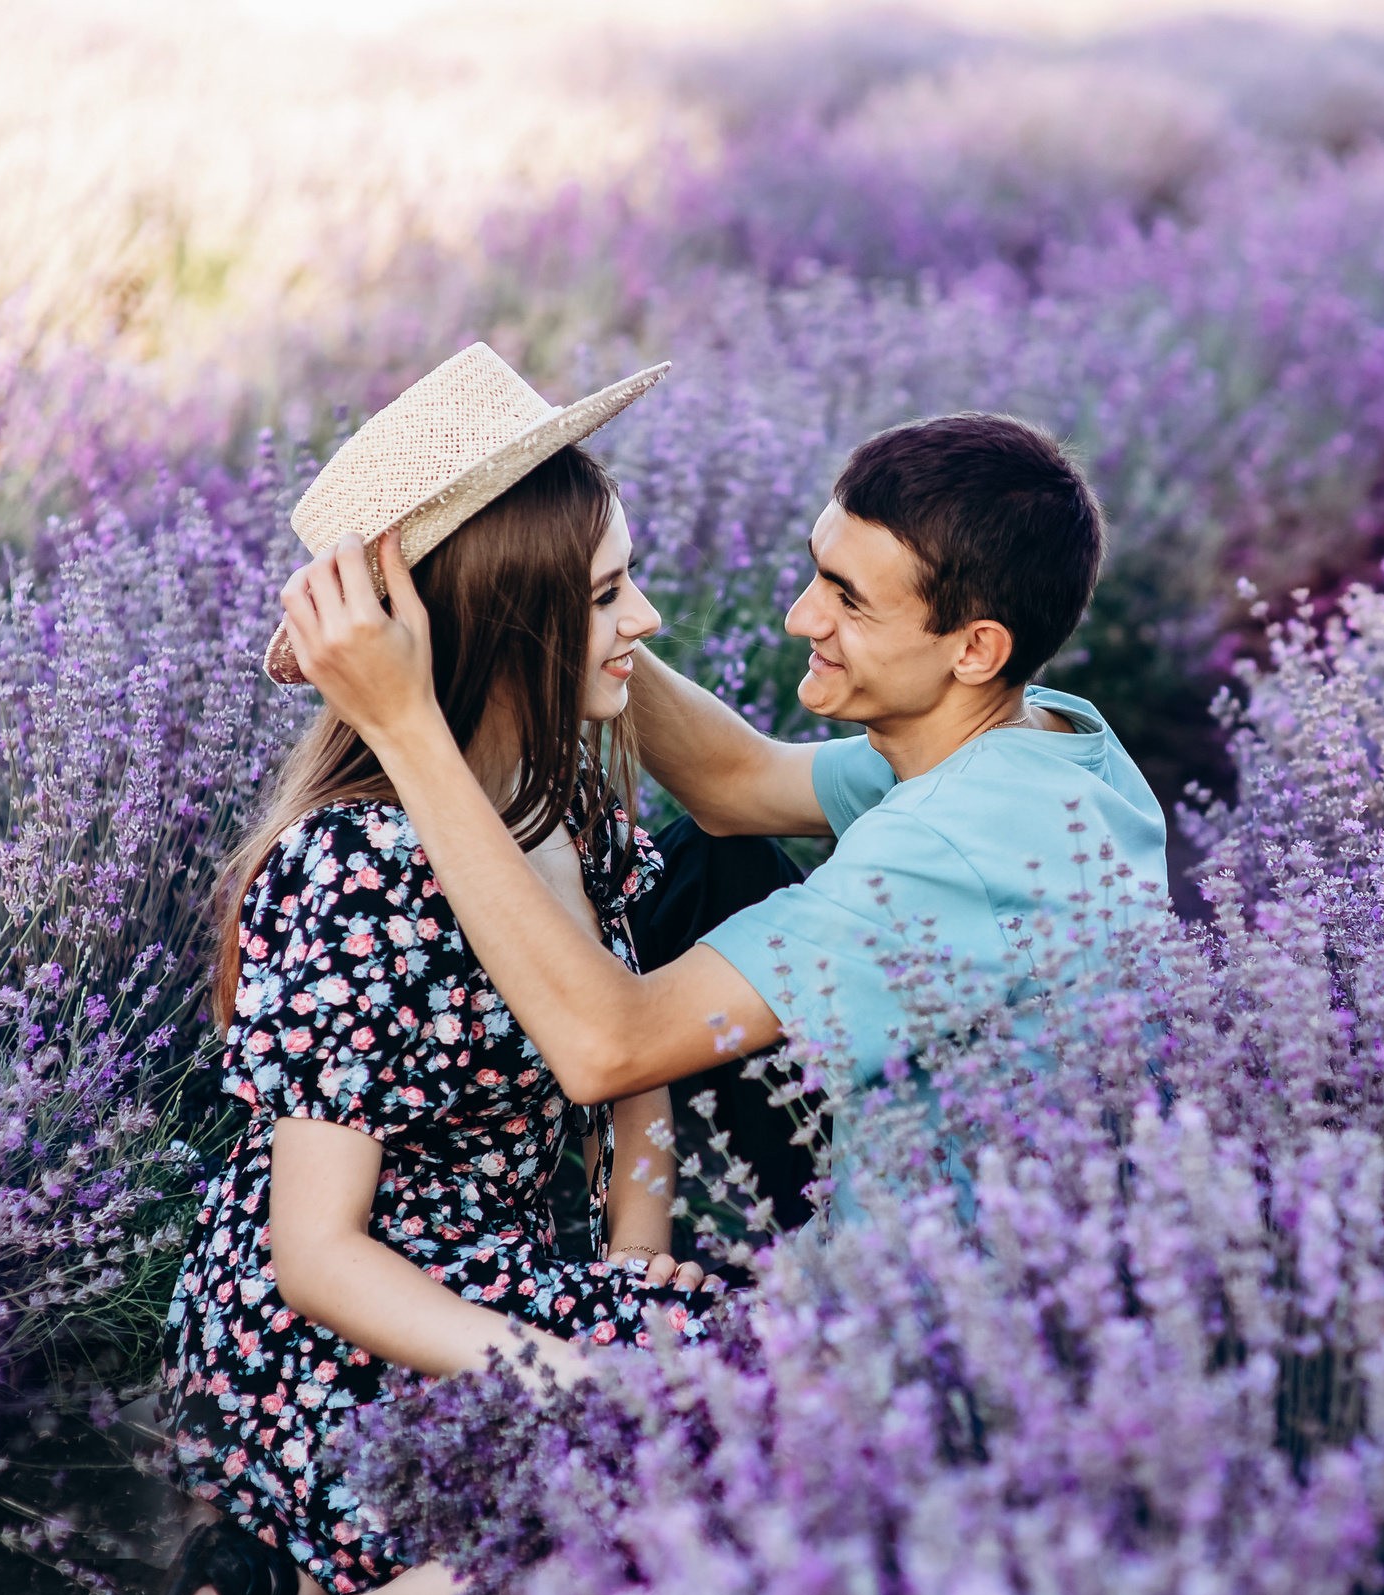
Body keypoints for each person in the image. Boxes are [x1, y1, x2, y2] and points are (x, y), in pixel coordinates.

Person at [136, 349, 719, 1595]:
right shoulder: (355, 870)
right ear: (509, 626)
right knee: (700, 1457)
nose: (646, 620)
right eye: (606, 595)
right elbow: (317, 1253)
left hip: (499, 1286)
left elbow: (639, 1083)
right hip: (342, 1322)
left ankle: (273, 1585)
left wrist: (632, 1275)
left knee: (756, 1402)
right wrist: (575, 1370)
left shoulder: (581, 806)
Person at [279, 411, 1170, 1209]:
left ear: (976, 649)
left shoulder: (952, 842)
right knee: (717, 858)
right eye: (817, 573)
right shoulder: (1042, 738)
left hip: (933, 1320)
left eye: (849, 601)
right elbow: (735, 782)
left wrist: (405, 721)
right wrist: (537, 609)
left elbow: (608, 1045)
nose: (796, 617)